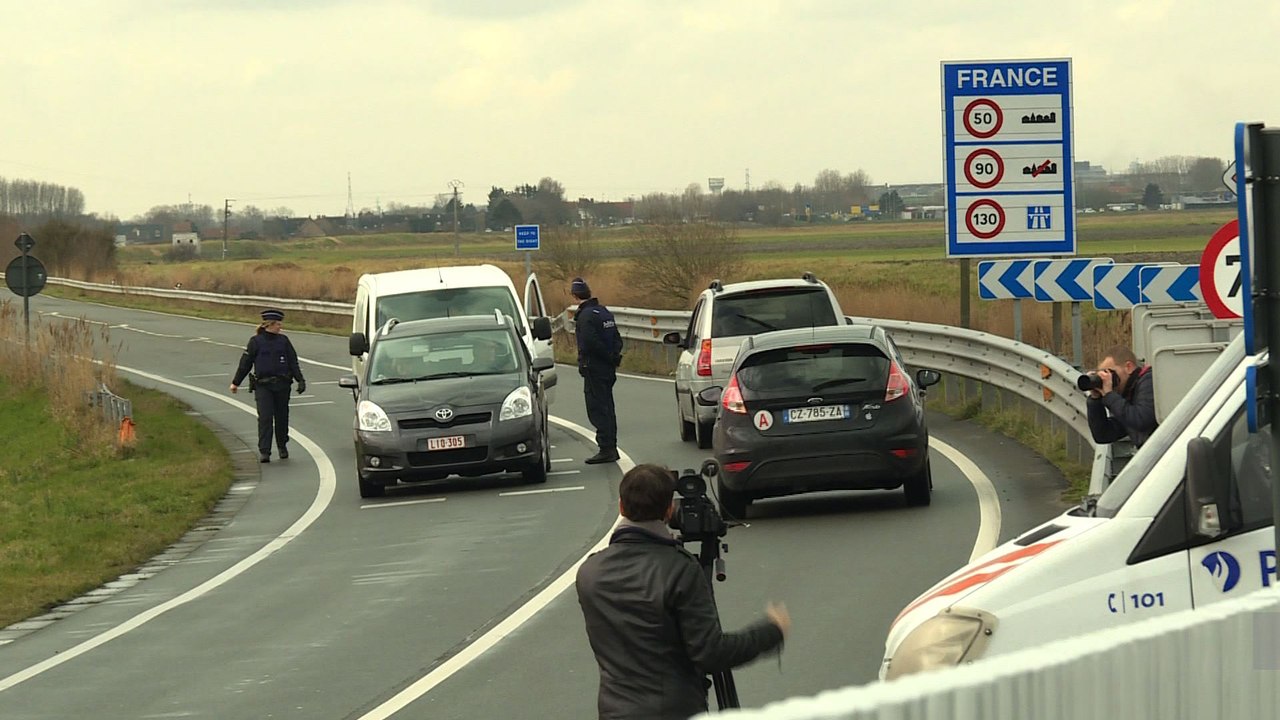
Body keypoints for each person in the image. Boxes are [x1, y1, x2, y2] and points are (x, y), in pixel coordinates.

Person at [576, 464, 790, 720]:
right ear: (669, 509)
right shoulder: (680, 569)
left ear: (621, 507)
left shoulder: (589, 572)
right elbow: (710, 653)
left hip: (615, 712)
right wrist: (770, 632)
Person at [229, 309, 306, 463]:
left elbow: (293, 362)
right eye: (278, 324)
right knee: (265, 418)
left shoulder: (284, 341)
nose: (280, 327)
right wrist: (235, 382)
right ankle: (265, 451)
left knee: (282, 417)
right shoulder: (255, 342)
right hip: (263, 386)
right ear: (269, 324)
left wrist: (300, 380)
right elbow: (245, 364)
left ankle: (282, 445)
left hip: (282, 385)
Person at [572, 277, 623, 464]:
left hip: (594, 368)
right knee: (608, 407)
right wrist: (614, 357)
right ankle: (611, 446)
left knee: (598, 408)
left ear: (575, 295)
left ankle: (606, 448)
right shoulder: (604, 313)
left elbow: (589, 343)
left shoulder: (585, 317)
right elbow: (617, 339)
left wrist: (605, 357)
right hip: (608, 369)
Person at [1086, 344, 1157, 448]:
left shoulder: (1149, 380)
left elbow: (1142, 420)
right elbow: (1103, 435)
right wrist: (1095, 399)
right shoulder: (1127, 392)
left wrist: (1109, 395)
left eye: (1110, 372)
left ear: (1128, 367)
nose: (1108, 378)